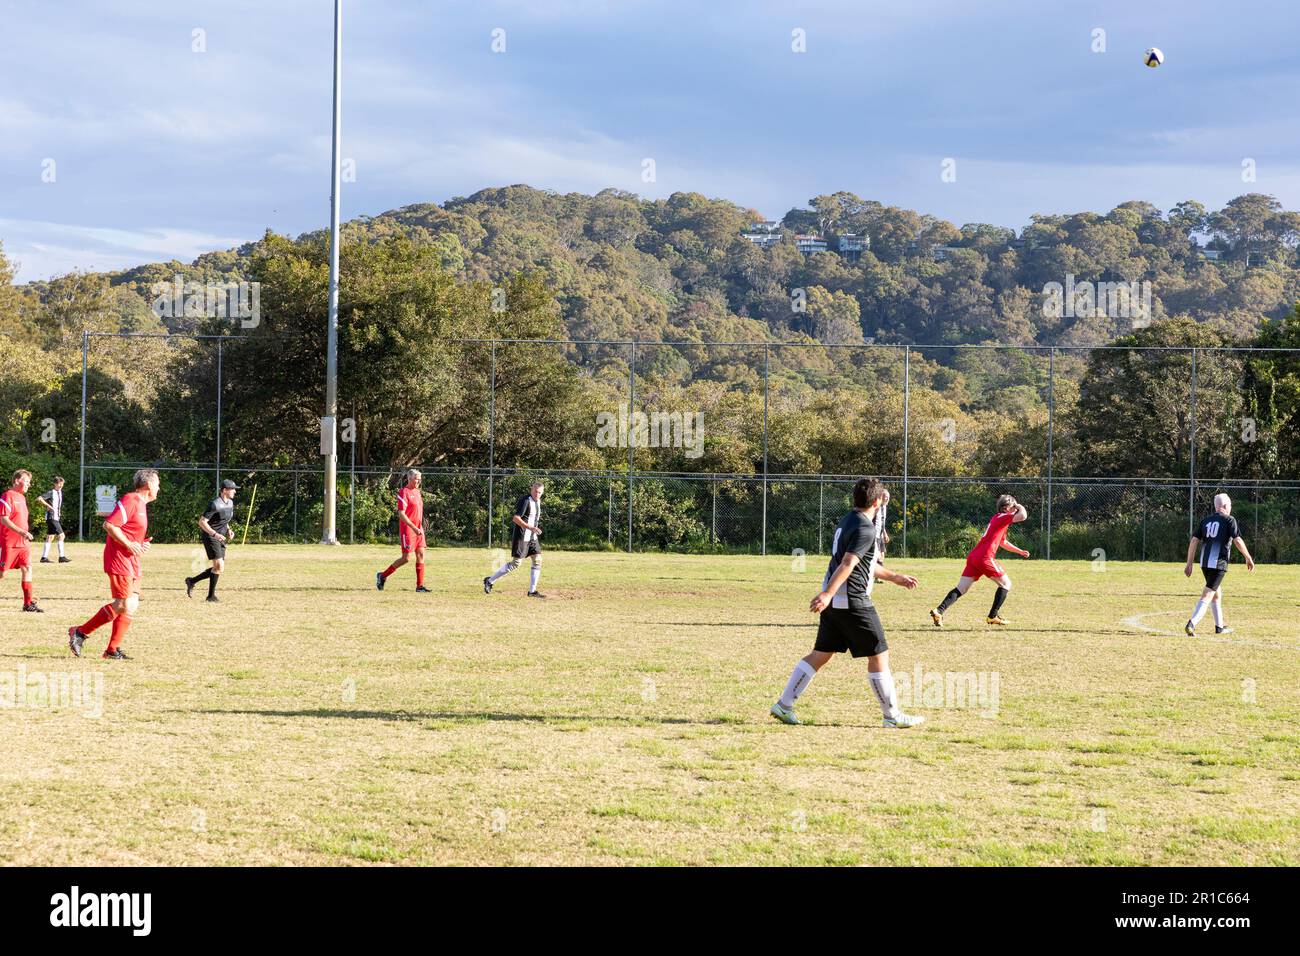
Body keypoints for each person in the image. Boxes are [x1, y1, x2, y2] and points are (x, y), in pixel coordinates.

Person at [770, 477, 926, 729]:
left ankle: (784, 705)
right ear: (876, 502)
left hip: (836, 602)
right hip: (851, 601)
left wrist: (895, 577)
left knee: (821, 654)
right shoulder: (865, 528)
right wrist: (829, 594)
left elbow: (864, 563)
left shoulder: (848, 520)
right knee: (879, 655)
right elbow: (848, 563)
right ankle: (892, 716)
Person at [68, 468, 159, 660]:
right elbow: (109, 525)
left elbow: (128, 531)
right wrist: (129, 544)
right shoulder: (132, 500)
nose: (159, 487)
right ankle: (79, 632)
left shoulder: (141, 504)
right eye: (157, 483)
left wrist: (139, 545)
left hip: (132, 560)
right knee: (122, 603)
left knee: (131, 605)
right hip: (119, 558)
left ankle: (112, 650)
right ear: (149, 485)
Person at [929, 494, 1029, 627]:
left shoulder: (999, 519)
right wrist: (1020, 506)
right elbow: (1023, 516)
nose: (1015, 509)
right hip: (984, 558)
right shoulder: (1003, 517)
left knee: (961, 588)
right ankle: (992, 616)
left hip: (974, 557)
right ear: (1005, 508)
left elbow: (1003, 542)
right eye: (1013, 507)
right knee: (1006, 584)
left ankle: (939, 611)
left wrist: (1020, 551)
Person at [1184, 493, 1255, 637]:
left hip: (1204, 563)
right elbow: (1237, 540)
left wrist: (1189, 563)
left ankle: (1219, 627)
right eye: (1230, 505)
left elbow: (1193, 541)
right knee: (1208, 594)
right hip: (1218, 563)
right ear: (1225, 506)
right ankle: (1192, 623)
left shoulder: (1205, 520)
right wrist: (1248, 557)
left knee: (1216, 594)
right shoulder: (1230, 520)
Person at [483, 481, 545, 598]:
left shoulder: (538, 501)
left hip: (532, 537)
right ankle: (489, 581)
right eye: (535, 492)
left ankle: (532, 591)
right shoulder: (526, 501)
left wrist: (533, 529)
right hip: (522, 536)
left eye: (540, 493)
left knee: (538, 560)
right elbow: (516, 518)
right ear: (531, 490)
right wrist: (530, 527)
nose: (537, 494)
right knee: (516, 563)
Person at [376, 469, 429, 593]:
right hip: (409, 529)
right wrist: (414, 527)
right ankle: (382, 576)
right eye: (416, 478)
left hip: (418, 529)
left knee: (421, 555)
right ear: (409, 479)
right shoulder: (403, 492)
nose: (418, 481)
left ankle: (419, 586)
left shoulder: (417, 492)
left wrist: (420, 526)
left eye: (420, 479)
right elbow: (401, 514)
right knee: (406, 559)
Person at [186, 479, 238, 602]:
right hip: (211, 536)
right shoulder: (214, 504)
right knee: (219, 565)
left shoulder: (230, 503)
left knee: (219, 568)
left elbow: (225, 520)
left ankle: (191, 581)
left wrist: (229, 530)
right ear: (224, 490)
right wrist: (214, 534)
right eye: (232, 489)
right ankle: (211, 597)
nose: (235, 491)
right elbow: (202, 522)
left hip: (221, 537)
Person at [0, 469, 41, 612]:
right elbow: (4, 519)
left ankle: (28, 603)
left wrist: (24, 534)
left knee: (27, 568)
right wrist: (22, 531)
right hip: (9, 542)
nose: (29, 484)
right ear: (17, 481)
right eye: (27, 481)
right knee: (2, 574)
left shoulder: (22, 498)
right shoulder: (7, 496)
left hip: (23, 543)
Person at [38, 476, 70, 563]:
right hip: (52, 517)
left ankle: (44, 558)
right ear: (55, 484)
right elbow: (39, 498)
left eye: (62, 484)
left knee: (50, 537)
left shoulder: (59, 492)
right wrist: (48, 506)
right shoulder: (51, 492)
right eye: (59, 484)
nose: (61, 486)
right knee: (62, 535)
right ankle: (62, 557)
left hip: (55, 517)